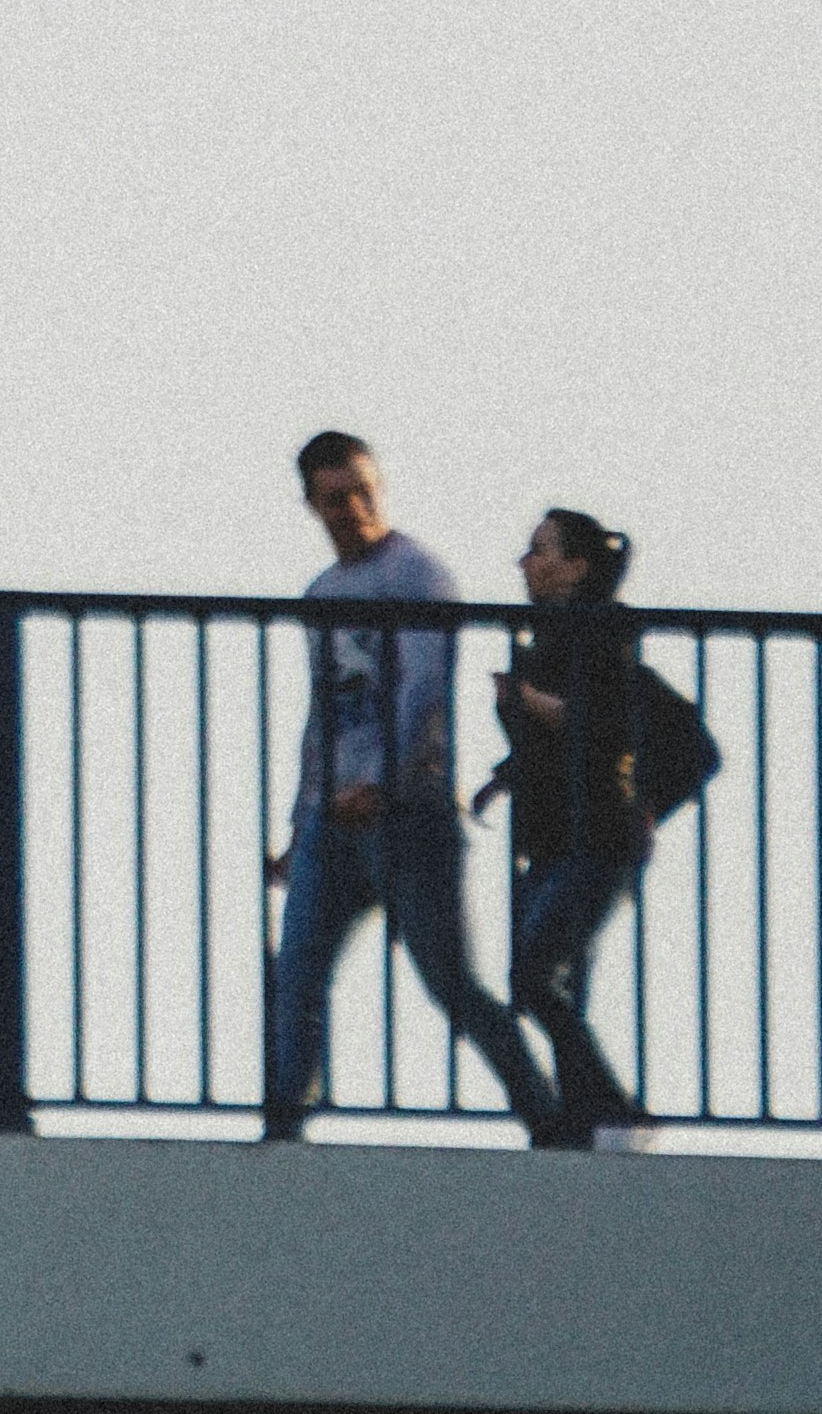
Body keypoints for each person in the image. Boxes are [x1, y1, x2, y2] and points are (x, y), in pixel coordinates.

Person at [257, 430, 546, 1140]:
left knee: (449, 983)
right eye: (334, 498)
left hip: (406, 815)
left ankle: (544, 1109)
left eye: (362, 490)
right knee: (295, 974)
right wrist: (301, 824)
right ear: (310, 504)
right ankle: (283, 1124)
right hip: (334, 819)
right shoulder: (323, 593)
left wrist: (380, 784)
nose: (352, 508)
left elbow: (424, 691)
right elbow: (321, 717)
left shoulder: (417, 575)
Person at [484, 505, 654, 1149]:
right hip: (554, 839)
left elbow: (605, 724)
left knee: (533, 977)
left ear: (576, 566)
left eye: (539, 550)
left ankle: (612, 1111)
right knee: (546, 981)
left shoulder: (603, 630)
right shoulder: (545, 636)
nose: (525, 563)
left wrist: (528, 703)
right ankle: (583, 1124)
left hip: (599, 835)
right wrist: (506, 766)